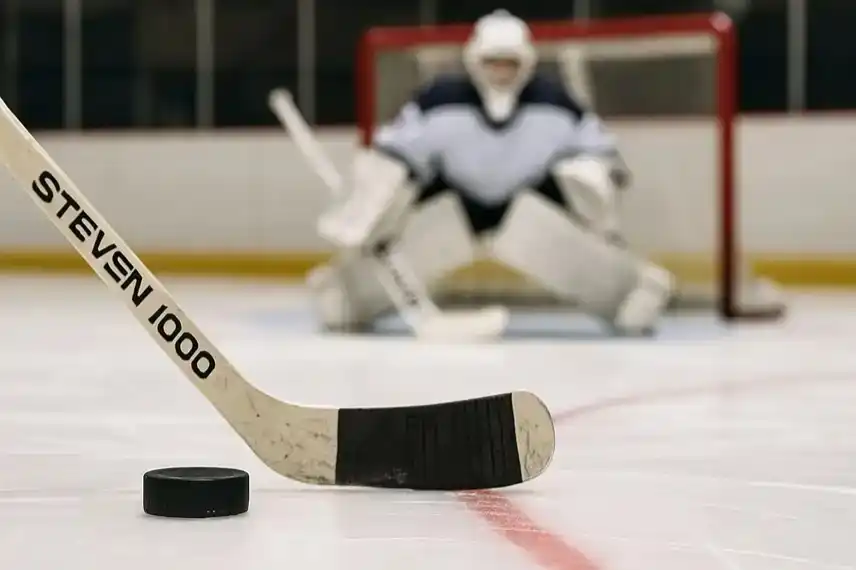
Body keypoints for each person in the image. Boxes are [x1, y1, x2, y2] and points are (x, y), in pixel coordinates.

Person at [308, 9, 674, 335]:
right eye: (492, 62)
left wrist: (601, 208)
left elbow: (605, 156)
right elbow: (393, 153)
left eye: (509, 63)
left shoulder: (558, 104)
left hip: (530, 199)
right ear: (475, 61)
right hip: (456, 200)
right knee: (407, 204)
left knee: (563, 201)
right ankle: (347, 295)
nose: (501, 72)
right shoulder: (438, 100)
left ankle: (630, 293)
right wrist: (367, 205)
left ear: (526, 63)